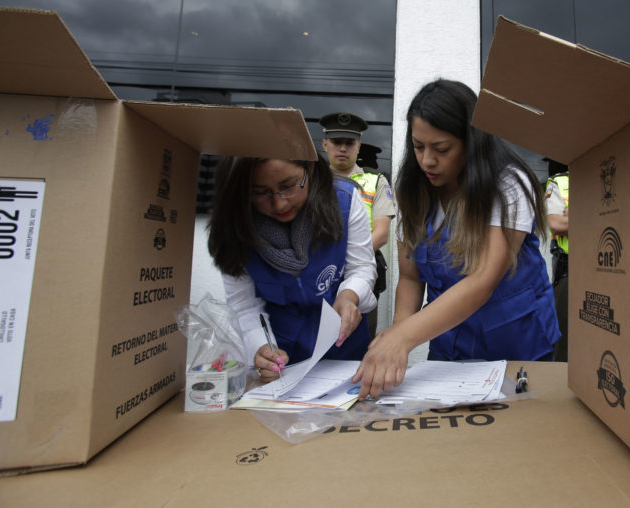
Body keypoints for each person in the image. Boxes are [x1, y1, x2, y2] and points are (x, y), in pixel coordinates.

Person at [352, 79, 560, 400]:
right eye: (418, 147)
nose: (427, 161)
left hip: (517, 346)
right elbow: (409, 277)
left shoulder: (507, 185)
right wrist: (396, 337)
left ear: (471, 142)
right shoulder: (414, 190)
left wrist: (404, 337)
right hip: (450, 348)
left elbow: (483, 279)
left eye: (442, 149)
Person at [208, 154, 377, 383]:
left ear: (310, 167)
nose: (279, 203)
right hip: (283, 361)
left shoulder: (344, 201)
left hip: (344, 354)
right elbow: (243, 305)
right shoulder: (235, 224)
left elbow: (362, 268)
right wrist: (261, 349)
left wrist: (349, 297)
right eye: (259, 192)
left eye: (288, 186)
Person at [319, 112, 396, 336]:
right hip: (319, 275)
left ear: (358, 147)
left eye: (349, 143)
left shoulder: (376, 181)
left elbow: (381, 234)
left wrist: (341, 259)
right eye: (336, 142)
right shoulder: (312, 180)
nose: (343, 148)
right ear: (325, 144)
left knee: (358, 338)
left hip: (361, 275)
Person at [545, 163, 569, 362]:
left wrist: (571, 218)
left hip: (606, 266)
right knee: (565, 336)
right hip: (569, 271)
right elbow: (555, 223)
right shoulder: (559, 181)